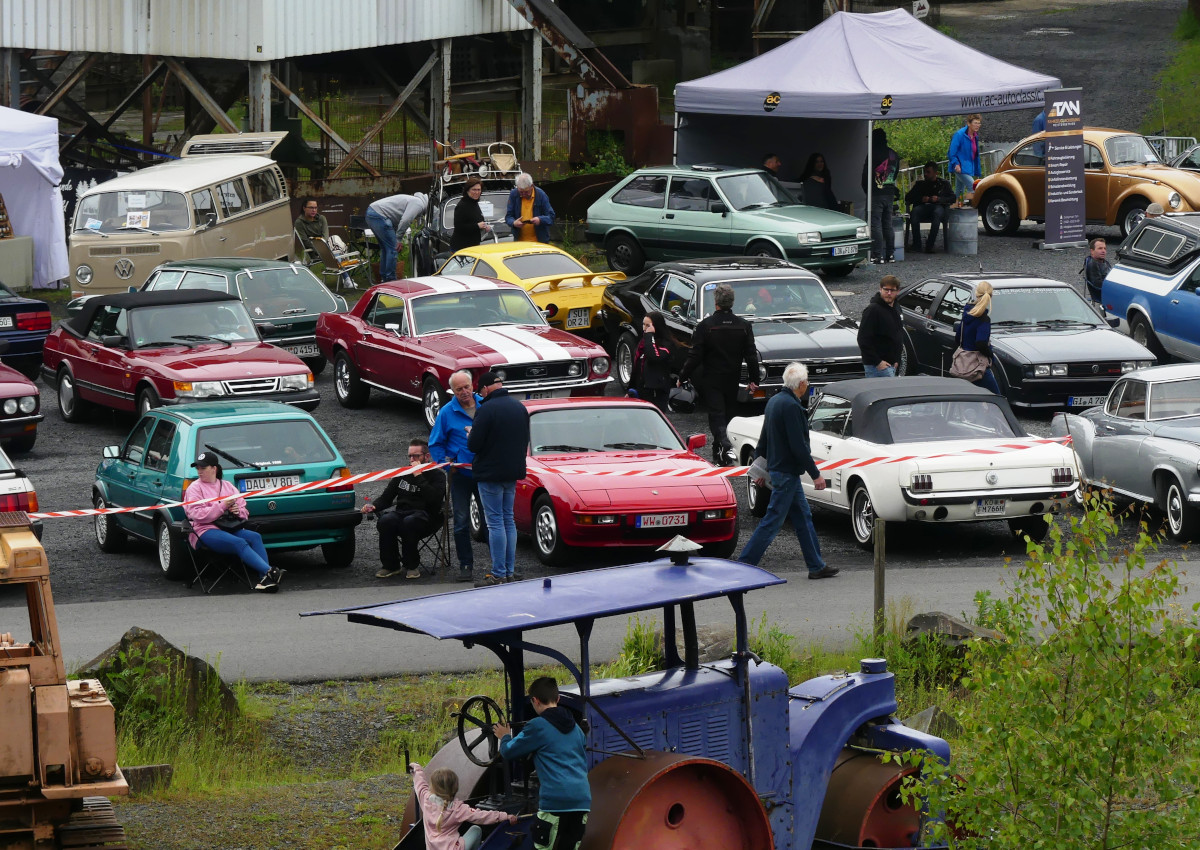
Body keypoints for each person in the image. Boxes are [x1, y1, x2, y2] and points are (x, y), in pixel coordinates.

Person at [738, 363, 838, 580]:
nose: (808, 384)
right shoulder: (791, 407)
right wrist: (816, 474)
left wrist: (757, 471)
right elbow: (798, 446)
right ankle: (744, 565)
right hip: (786, 473)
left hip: (779, 471)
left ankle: (816, 565)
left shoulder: (774, 402)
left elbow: (763, 440)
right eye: (807, 381)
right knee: (772, 521)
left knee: (803, 517)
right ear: (801, 384)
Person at [494, 677, 590, 850]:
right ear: (558, 699)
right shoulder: (576, 729)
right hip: (581, 801)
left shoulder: (537, 726)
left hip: (555, 801)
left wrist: (505, 736)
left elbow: (508, 751)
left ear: (535, 701)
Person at [678, 283, 760, 466]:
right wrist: (754, 380)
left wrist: (682, 376)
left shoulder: (706, 326)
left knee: (716, 415)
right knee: (729, 414)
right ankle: (720, 453)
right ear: (732, 302)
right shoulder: (744, 326)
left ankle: (725, 446)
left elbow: (695, 355)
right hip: (733, 378)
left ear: (716, 302)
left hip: (712, 378)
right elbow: (751, 355)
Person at [184, 451, 284, 592]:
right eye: (198, 468)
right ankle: (270, 571)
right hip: (204, 530)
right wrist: (223, 506)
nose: (199, 471)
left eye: (203, 468)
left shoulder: (227, 486)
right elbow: (196, 515)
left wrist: (238, 511)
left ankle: (266, 580)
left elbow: (244, 512)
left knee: (255, 537)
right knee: (239, 542)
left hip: (229, 527)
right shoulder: (194, 488)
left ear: (214, 469)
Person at [467, 371, 530, 585]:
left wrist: (470, 433)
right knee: (508, 520)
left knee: (494, 523)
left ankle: (498, 573)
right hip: (512, 472)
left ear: (485, 389)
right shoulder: (519, 408)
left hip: (490, 473)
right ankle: (509, 571)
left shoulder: (486, 410)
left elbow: (474, 445)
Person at [429, 370, 486, 583]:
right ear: (452, 391)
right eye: (459, 389)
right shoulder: (446, 413)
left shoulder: (485, 406)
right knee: (461, 521)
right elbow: (435, 443)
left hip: (484, 473)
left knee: (491, 519)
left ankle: (499, 565)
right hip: (459, 475)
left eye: (467, 387)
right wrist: (446, 465)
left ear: (473, 385)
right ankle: (466, 565)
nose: (464, 392)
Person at [362, 437, 446, 579]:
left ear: (427, 456)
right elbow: (386, 497)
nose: (412, 460)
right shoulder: (402, 474)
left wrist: (418, 475)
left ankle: (411, 565)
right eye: (410, 456)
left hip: (427, 516)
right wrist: (374, 506)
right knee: (386, 520)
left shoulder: (437, 475)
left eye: (416, 456)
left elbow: (434, 500)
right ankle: (391, 566)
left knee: (410, 522)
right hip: (403, 512)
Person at [409, 762, 516, 850]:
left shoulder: (425, 799)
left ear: (432, 787)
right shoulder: (458, 809)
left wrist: (416, 768)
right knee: (476, 829)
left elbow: (420, 783)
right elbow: (481, 816)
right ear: (455, 788)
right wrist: (505, 816)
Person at [366, 192, 429, 282]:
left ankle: (384, 278)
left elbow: (395, 220)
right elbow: (405, 220)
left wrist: (396, 237)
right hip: (378, 215)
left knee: (386, 248)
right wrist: (398, 239)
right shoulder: (418, 204)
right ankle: (391, 280)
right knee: (393, 249)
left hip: (372, 213)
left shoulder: (413, 200)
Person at [295, 198, 356, 288]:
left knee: (335, 239)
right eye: (311, 208)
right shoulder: (299, 222)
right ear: (304, 208)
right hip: (313, 251)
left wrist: (324, 247)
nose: (314, 210)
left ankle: (340, 271)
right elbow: (305, 241)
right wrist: (319, 249)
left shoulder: (321, 218)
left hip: (327, 246)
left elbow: (325, 236)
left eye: (315, 208)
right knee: (337, 247)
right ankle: (346, 278)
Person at [862, 128, 899, 264]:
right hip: (889, 192)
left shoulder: (872, 153)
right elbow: (895, 174)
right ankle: (890, 254)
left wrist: (867, 189)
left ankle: (877, 255)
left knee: (875, 224)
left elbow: (866, 174)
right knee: (888, 224)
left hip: (875, 192)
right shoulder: (893, 154)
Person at [960, 280, 1002, 395]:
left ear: (976, 294)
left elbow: (958, 338)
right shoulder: (984, 319)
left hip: (962, 365)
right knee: (996, 397)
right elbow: (981, 343)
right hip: (978, 366)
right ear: (990, 296)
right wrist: (990, 355)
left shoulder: (966, 315)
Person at [858, 275, 904, 378]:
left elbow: (898, 334)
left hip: (892, 366)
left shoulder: (896, 308)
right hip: (877, 368)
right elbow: (863, 339)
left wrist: (897, 360)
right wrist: (878, 362)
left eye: (892, 290)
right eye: (886, 289)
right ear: (880, 289)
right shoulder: (872, 310)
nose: (889, 293)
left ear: (897, 291)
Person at [904, 162, 955, 253]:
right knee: (915, 212)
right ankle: (917, 244)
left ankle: (930, 245)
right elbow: (908, 197)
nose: (926, 174)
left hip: (937, 207)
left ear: (935, 173)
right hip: (922, 207)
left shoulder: (943, 184)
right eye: (925, 172)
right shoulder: (920, 185)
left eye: (928, 172)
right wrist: (921, 199)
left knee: (937, 213)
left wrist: (939, 199)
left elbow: (952, 198)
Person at [632, 312, 673, 412]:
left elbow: (654, 356)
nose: (644, 328)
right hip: (643, 388)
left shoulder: (665, 343)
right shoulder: (644, 342)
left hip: (657, 390)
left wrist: (649, 336)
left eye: (648, 325)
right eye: (643, 324)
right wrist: (631, 389)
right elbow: (636, 366)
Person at [505, 173, 556, 243]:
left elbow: (551, 217)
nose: (523, 194)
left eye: (526, 192)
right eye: (521, 192)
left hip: (539, 242)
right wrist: (514, 223)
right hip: (519, 243)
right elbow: (508, 217)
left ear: (531, 186)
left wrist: (540, 220)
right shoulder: (514, 194)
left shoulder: (541, 195)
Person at [450, 177, 493, 252]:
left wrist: (484, 226)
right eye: (474, 190)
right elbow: (459, 227)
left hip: (473, 246)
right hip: (461, 247)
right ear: (467, 190)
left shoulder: (474, 203)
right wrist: (477, 226)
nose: (477, 192)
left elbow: (476, 220)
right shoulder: (462, 205)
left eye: (479, 190)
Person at [948, 114, 983, 200]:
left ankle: (955, 207)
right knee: (974, 188)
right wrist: (956, 164)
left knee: (959, 191)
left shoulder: (975, 136)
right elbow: (951, 152)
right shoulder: (959, 134)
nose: (977, 125)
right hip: (960, 167)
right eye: (975, 123)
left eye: (979, 123)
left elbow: (974, 153)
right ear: (968, 123)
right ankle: (974, 208)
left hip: (968, 167)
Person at [1082, 237, 1110, 305]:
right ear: (1092, 251)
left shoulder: (1104, 262)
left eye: (1104, 248)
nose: (1103, 251)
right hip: (1104, 294)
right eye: (1100, 248)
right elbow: (1098, 284)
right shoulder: (1093, 264)